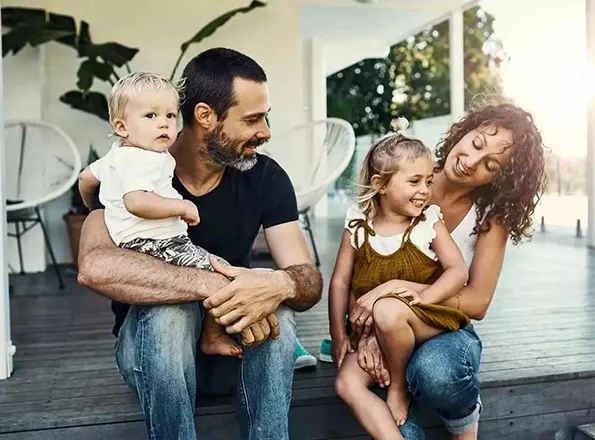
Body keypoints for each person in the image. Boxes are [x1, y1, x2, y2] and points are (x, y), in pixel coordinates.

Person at [76, 48, 323, 440]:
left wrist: (278, 285)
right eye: (253, 119)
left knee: (280, 310)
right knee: (169, 313)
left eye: (266, 117)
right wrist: (214, 285)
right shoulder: (134, 165)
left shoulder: (266, 177)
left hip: (234, 351)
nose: (266, 131)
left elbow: (306, 278)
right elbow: (95, 266)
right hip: (151, 357)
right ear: (206, 116)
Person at [344, 103, 546, 439]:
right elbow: (358, 267)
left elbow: (477, 301)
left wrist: (397, 299)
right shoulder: (404, 177)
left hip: (446, 327)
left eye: (490, 165)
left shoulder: (489, 216)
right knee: (381, 401)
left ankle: (465, 421)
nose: (470, 161)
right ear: (465, 130)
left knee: (435, 372)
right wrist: (366, 334)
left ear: (500, 177)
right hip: (387, 324)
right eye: (477, 144)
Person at [79, 71, 253, 359]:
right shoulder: (145, 159)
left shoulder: (117, 154)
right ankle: (213, 336)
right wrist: (182, 207)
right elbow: (136, 202)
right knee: (221, 269)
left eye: (171, 116)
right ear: (121, 126)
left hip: (132, 244)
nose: (164, 123)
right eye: (150, 116)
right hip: (158, 244)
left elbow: (86, 179)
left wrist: (93, 207)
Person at [330, 124, 471, 439]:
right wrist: (341, 335)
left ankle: (398, 389)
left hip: (426, 318)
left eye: (428, 181)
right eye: (414, 181)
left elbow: (458, 271)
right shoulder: (357, 225)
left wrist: (424, 299)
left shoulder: (427, 223)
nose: (424, 190)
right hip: (379, 328)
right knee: (347, 383)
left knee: (389, 310)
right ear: (380, 184)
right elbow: (341, 282)